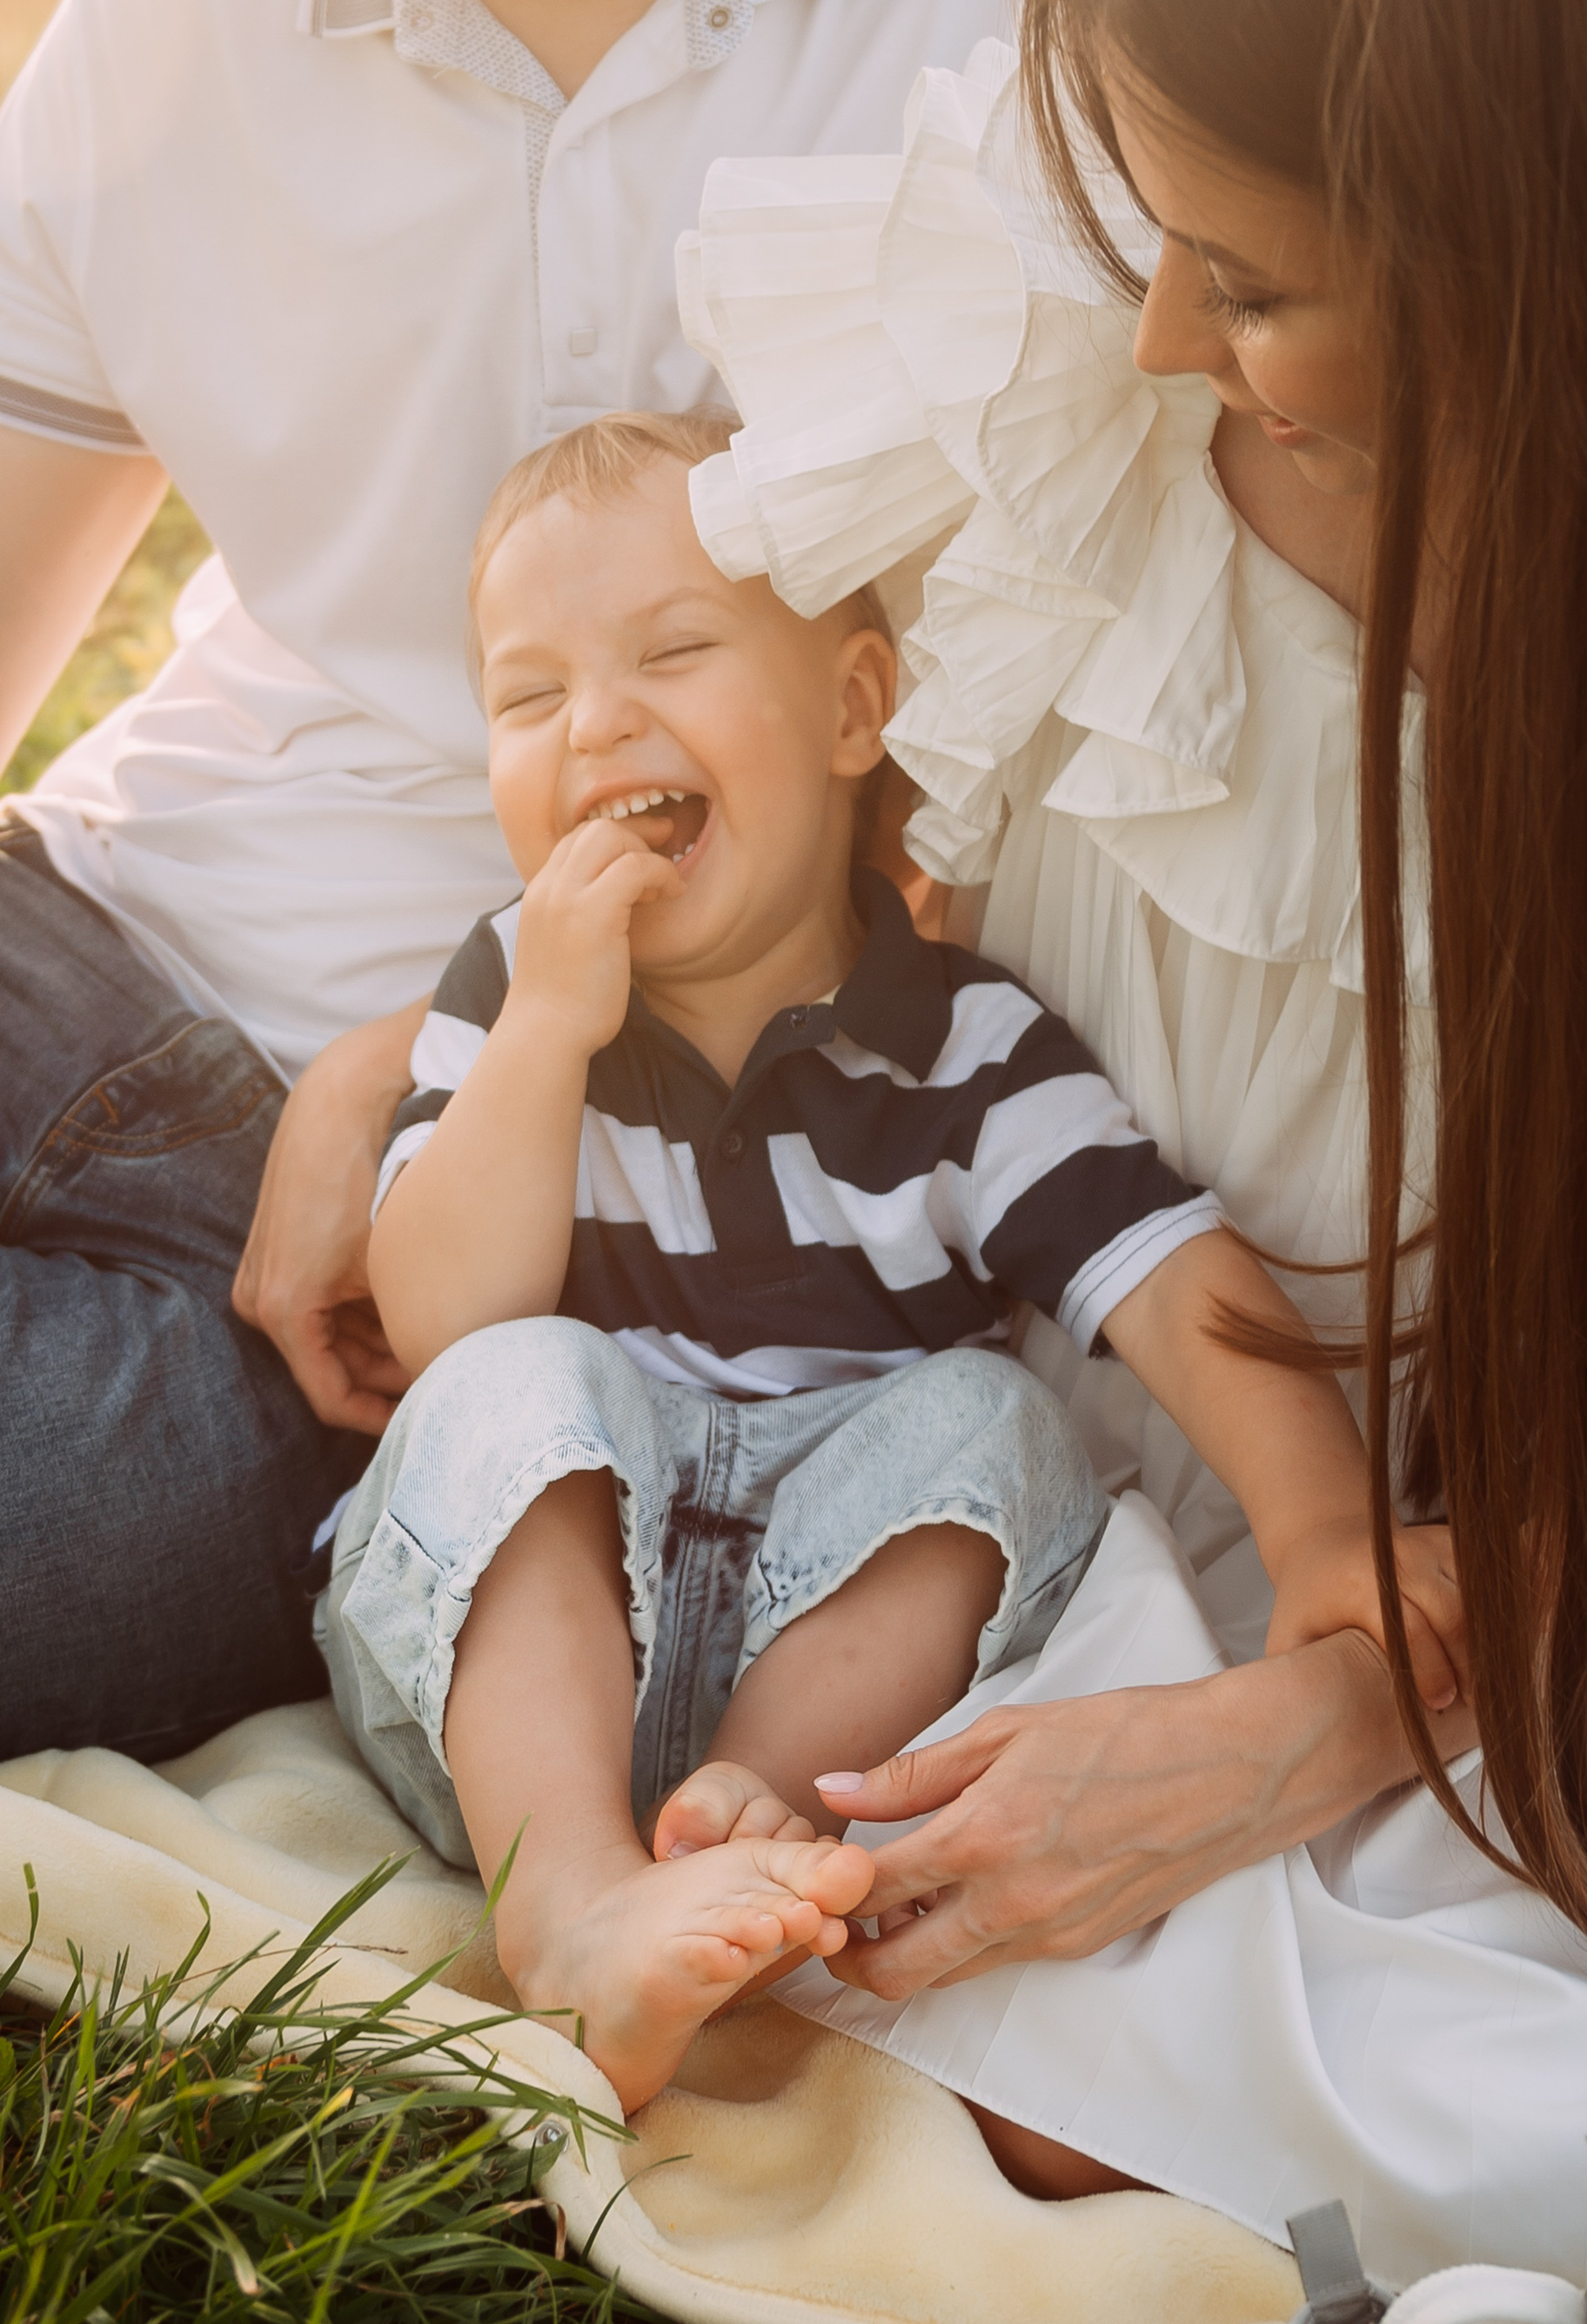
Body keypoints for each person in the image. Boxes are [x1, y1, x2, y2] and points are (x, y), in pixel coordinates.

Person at [665, 2, 1587, 2286]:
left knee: (1182, 2078)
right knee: (928, 1985)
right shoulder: (1062, 354)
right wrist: (428, 1052)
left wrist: (1323, 1717)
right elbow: (755, 841)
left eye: (1256, 286)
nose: (1163, 331)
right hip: (1000, 1479)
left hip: (1471, 1587)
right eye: (1154, 239)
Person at [318, 407, 1463, 2113]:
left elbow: (1163, 1277)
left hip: (827, 1673)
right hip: (513, 1683)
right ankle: (565, 1906)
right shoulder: (506, 998)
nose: (598, 724)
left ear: (855, 710)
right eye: (530, 697)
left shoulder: (961, 1047)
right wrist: (551, 1022)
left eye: (672, 653)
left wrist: (1317, 1535)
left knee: (990, 1422)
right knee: (512, 1379)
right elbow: (444, 1319)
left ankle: (741, 1837)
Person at [0, 0, 1006, 1761]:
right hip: (78, 917)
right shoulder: (149, 50)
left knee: (75, 1560)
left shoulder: (993, 60)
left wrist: (421, 1046)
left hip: (436, 1215)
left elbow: (1008, 837)